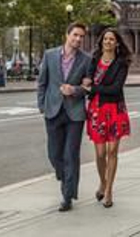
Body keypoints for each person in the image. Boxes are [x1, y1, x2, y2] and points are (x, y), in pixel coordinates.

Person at [37, 22, 91, 212]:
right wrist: (41, 105)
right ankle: (64, 175)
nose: (78, 39)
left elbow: (87, 88)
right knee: (54, 155)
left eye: (81, 36)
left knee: (70, 155)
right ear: (67, 35)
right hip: (52, 111)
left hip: (75, 114)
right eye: (75, 35)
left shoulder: (86, 59)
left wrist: (74, 90)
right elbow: (42, 82)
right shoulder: (50, 55)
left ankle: (67, 196)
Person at [82, 28, 131, 208]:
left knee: (112, 152)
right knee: (100, 153)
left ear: (117, 43)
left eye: (112, 39)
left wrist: (93, 88)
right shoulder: (94, 60)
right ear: (102, 41)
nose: (108, 42)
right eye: (106, 39)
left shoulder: (121, 63)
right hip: (97, 109)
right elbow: (87, 79)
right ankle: (102, 181)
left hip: (115, 109)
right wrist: (87, 82)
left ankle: (109, 190)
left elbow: (116, 88)